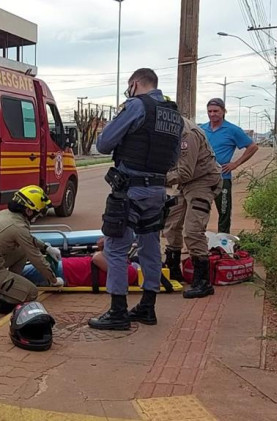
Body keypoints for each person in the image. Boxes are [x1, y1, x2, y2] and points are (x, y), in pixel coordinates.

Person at [89, 68, 182, 330]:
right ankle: (147, 308)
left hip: (130, 191)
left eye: (129, 88)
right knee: (150, 248)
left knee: (116, 249)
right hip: (156, 191)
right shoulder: (173, 114)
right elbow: (174, 158)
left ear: (135, 84)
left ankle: (118, 312)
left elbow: (104, 144)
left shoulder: (136, 106)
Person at [0, 185, 64, 322]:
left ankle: (9, 293)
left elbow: (28, 240)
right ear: (28, 210)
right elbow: (36, 258)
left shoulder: (6, 215)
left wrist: (46, 248)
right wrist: (53, 280)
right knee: (31, 293)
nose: (39, 215)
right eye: (39, 212)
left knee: (21, 250)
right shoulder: (17, 226)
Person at [163, 116, 223, 299]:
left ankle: (202, 281)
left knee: (193, 230)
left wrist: (157, 178)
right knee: (172, 223)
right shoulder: (169, 128)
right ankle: (173, 269)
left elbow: (185, 171)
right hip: (186, 184)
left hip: (203, 181)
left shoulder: (186, 134)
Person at [0, 237, 140, 289]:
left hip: (63, 274)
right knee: (17, 271)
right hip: (63, 267)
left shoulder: (130, 272)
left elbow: (97, 259)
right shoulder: (123, 261)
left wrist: (104, 249)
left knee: (16, 278)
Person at [200, 98, 259, 234]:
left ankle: (222, 242)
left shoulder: (232, 130)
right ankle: (198, 242)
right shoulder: (201, 129)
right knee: (200, 211)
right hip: (202, 177)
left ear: (223, 111)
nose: (212, 114)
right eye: (210, 111)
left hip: (222, 178)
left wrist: (236, 164)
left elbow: (252, 147)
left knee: (224, 211)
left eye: (216, 111)